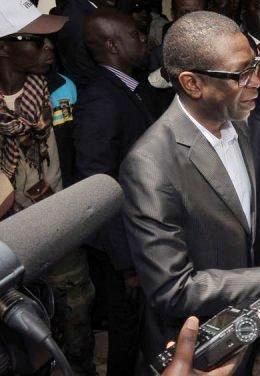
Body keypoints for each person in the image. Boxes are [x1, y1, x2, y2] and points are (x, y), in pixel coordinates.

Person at [119, 11, 260, 374]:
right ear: (193, 84)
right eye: (242, 74)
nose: (257, 81)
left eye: (255, 65)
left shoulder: (243, 126)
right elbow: (172, 290)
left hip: (244, 327)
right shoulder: (151, 163)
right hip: (195, 348)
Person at [0, 2, 97, 375]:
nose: (49, 48)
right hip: (7, 243)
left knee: (74, 329)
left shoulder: (60, 90)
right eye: (37, 41)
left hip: (58, 232)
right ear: (5, 45)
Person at [73, 8, 155, 375]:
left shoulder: (129, 88)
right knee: (125, 334)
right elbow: (98, 185)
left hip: (137, 237)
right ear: (112, 45)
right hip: (120, 245)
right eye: (135, 35)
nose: (144, 40)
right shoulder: (102, 98)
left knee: (138, 331)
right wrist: (125, 263)